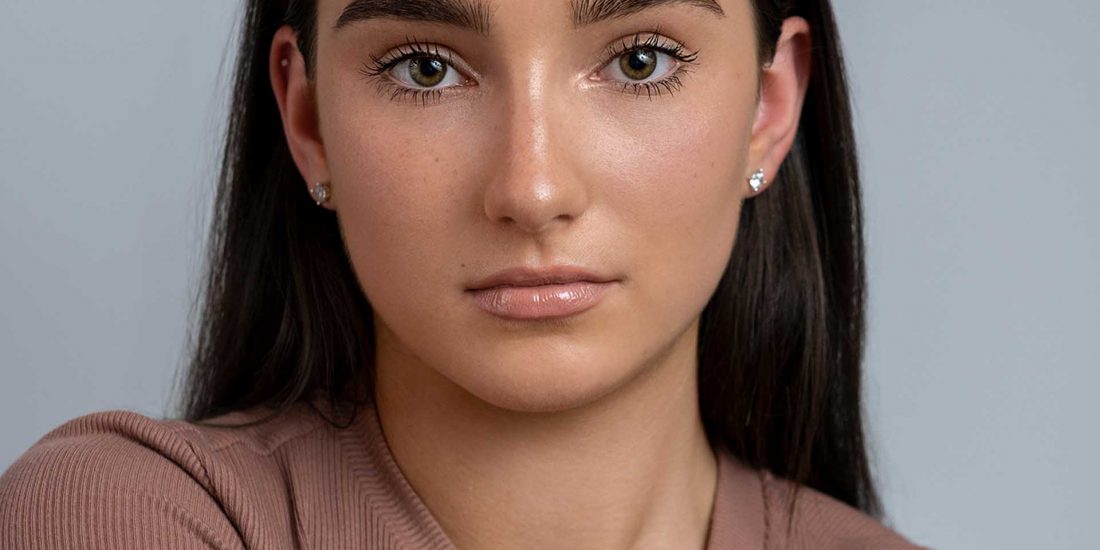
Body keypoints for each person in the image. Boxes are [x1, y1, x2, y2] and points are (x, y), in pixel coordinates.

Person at [0, 0, 926, 548]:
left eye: (640, 61)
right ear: (309, 121)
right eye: (426, 68)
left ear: (769, 108)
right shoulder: (117, 518)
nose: (532, 188)